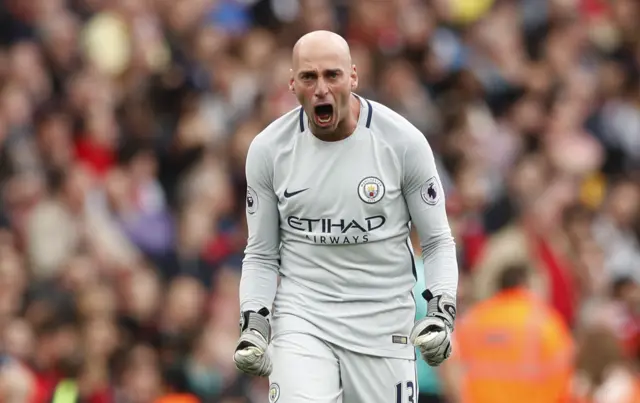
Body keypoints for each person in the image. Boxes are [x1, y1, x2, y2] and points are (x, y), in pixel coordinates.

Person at [233, 30, 459, 403]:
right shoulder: (268, 150)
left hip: (383, 323)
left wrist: (441, 311)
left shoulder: (402, 143)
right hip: (303, 319)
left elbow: (436, 241)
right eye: (309, 77)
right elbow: (260, 252)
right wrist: (254, 320)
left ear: (352, 77)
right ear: (292, 83)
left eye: (332, 75)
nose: (321, 87)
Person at [451, 264, 574, 403]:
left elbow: (453, 369)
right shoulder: (545, 323)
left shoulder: (473, 320)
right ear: (526, 284)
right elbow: (564, 378)